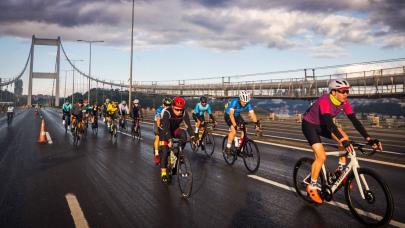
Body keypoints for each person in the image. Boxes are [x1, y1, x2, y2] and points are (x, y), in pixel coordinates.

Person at [302, 79, 382, 204]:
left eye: (347, 91)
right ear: (334, 92)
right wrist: (342, 140)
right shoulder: (325, 100)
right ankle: (311, 186)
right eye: (343, 91)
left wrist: (369, 139)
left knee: (345, 139)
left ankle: (339, 171)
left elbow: (354, 121)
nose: (346, 94)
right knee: (321, 156)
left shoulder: (344, 102)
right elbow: (329, 123)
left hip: (323, 125)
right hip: (310, 125)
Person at [158, 96, 196, 183]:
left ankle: (178, 153)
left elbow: (188, 126)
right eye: (177, 109)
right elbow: (166, 128)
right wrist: (170, 140)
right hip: (164, 131)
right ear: (172, 107)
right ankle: (163, 173)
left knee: (183, 135)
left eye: (181, 110)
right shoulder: (167, 112)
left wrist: (193, 137)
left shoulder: (184, 113)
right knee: (165, 151)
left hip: (174, 129)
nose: (179, 112)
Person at [224, 90, 260, 155]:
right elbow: (231, 115)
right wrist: (235, 125)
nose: (244, 103)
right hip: (228, 115)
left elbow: (252, 114)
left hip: (237, 116)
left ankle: (241, 148)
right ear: (240, 99)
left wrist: (257, 124)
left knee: (244, 129)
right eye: (243, 101)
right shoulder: (235, 101)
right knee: (234, 131)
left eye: (246, 102)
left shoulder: (248, 104)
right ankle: (228, 148)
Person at [153, 97, 172, 165]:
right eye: (166, 105)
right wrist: (160, 128)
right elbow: (158, 119)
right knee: (158, 136)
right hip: (158, 123)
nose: (168, 106)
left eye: (169, 105)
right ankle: (156, 154)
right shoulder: (159, 109)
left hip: (165, 123)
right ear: (163, 104)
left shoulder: (170, 109)